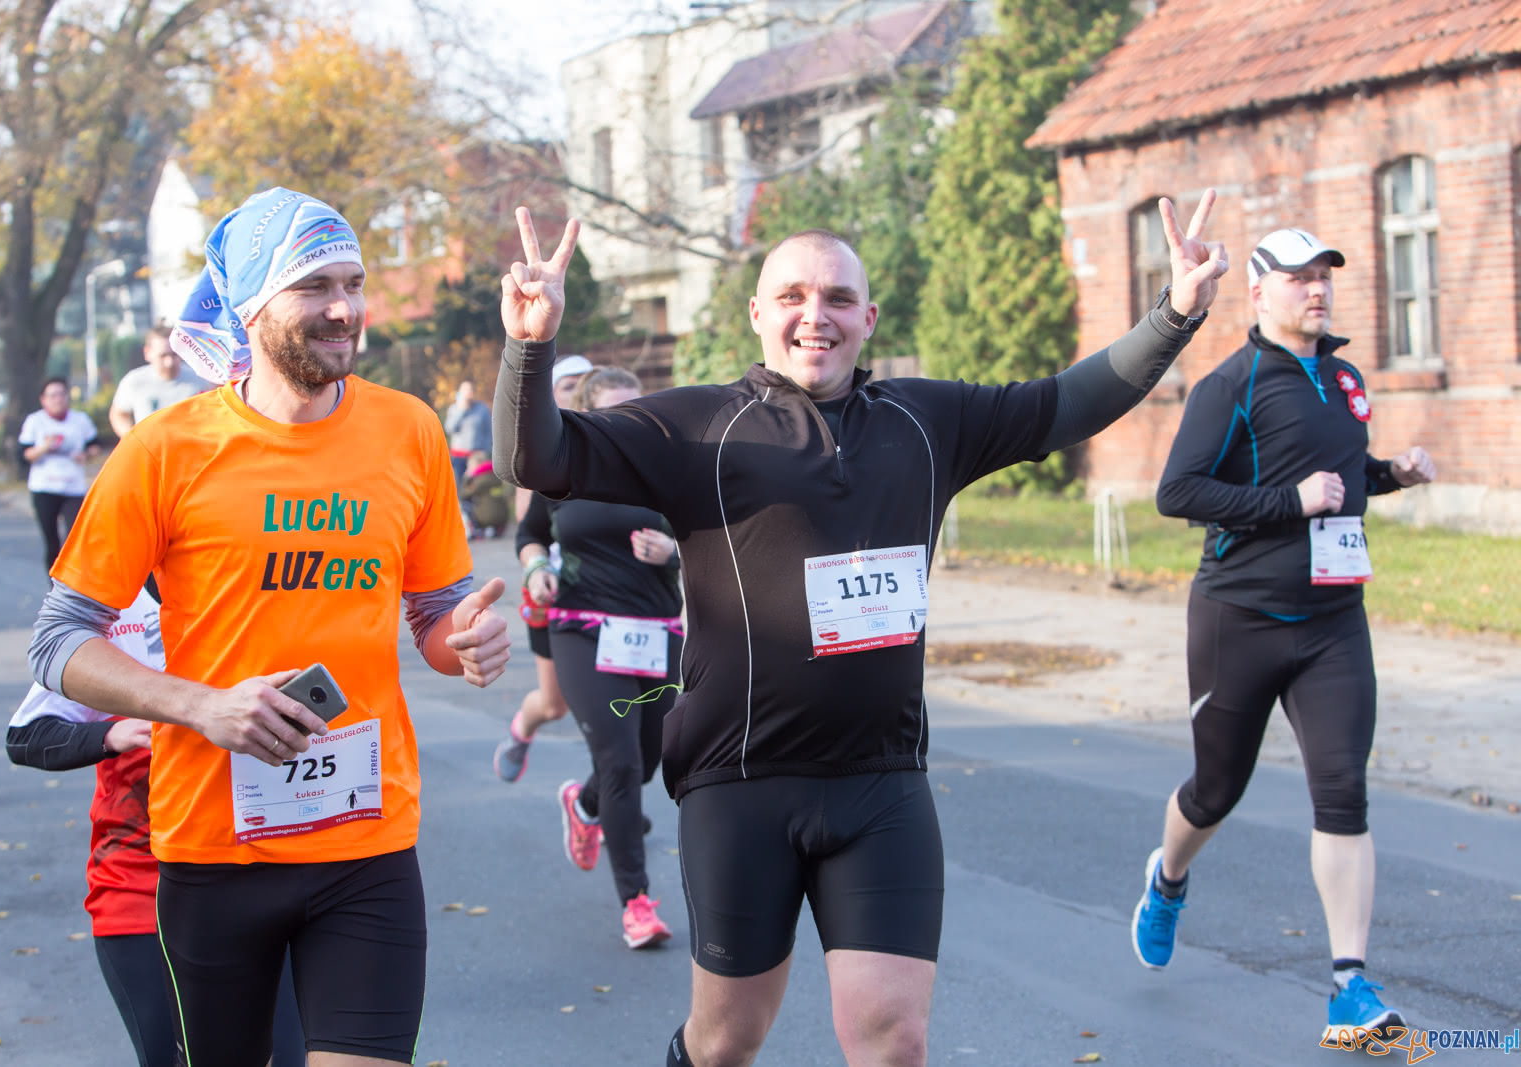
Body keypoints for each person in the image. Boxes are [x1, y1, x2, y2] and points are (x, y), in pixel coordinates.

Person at [493, 195, 1229, 1067]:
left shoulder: (926, 422)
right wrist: (531, 345)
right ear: (759, 314)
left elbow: (1065, 404)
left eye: (839, 298)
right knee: (729, 1038)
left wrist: (1175, 313)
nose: (818, 315)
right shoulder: (693, 426)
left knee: (894, 1038)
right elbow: (532, 458)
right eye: (795, 296)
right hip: (741, 783)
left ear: (868, 318)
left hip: (881, 785)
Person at [27, 186, 511, 1067]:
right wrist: (203, 707)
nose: (344, 307)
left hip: (367, 838)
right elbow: (59, 641)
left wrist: (465, 644)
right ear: (252, 309)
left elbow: (436, 615)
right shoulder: (166, 450)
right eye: (314, 285)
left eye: (353, 282)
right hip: (213, 850)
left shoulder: (408, 430)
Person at [1129, 227, 1436, 1045]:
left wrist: (1390, 476)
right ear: (1258, 292)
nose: (1317, 290)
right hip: (1240, 618)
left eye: (1324, 277)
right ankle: (1168, 878)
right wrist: (1288, 504)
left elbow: (1341, 472)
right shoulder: (1228, 384)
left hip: (1334, 619)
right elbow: (1177, 491)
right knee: (1214, 790)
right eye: (1299, 278)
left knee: (1343, 790)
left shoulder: (1343, 376)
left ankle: (1350, 985)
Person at [6, 588, 305, 1067]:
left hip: (266, 880)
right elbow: (26, 735)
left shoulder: (261, 592)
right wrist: (109, 732)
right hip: (142, 894)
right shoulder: (116, 616)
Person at [516, 365, 684, 949]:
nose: (629, 423)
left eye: (637, 410)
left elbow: (715, 541)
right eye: (614, 412)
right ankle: (636, 902)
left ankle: (584, 803)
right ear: (588, 416)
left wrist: (674, 551)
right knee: (619, 760)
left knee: (647, 757)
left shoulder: (668, 472)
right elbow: (529, 534)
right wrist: (537, 568)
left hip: (657, 630)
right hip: (583, 630)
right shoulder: (563, 472)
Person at [493, 352, 595, 784]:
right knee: (556, 705)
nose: (578, 395)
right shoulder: (538, 451)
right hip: (553, 592)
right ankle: (522, 730)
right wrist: (537, 570)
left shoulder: (616, 444)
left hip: (614, 593)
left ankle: (604, 798)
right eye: (568, 386)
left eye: (584, 386)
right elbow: (529, 531)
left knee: (614, 707)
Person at [18, 376, 100, 573]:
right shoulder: (35, 421)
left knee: (74, 539)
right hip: (44, 487)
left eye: (62, 394)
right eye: (53, 395)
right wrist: (45, 447)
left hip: (73, 487)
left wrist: (86, 454)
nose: (58, 399)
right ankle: (54, 584)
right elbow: (25, 455)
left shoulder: (80, 420)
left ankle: (72, 580)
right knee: (52, 541)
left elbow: (95, 446)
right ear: (43, 399)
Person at [108, 325, 212, 437]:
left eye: (174, 355)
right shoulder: (134, 381)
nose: (169, 362)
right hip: (150, 450)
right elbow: (118, 414)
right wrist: (131, 439)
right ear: (147, 353)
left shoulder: (201, 378)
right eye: (163, 356)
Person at [443, 380, 493, 487]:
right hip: (458, 457)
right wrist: (462, 411)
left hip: (476, 457)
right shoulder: (454, 409)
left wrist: (486, 450)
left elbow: (489, 432)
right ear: (460, 392)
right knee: (458, 488)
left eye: (470, 389)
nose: (468, 392)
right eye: (465, 390)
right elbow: (449, 429)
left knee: (474, 489)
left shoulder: (482, 409)